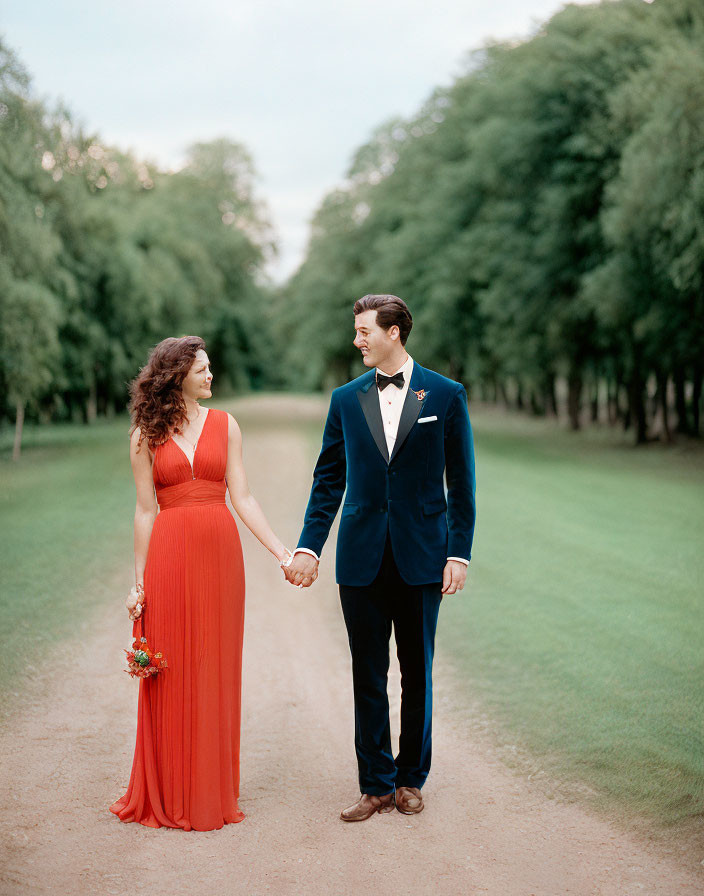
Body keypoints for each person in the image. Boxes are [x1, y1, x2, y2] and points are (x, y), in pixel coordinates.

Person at [286, 294, 476, 821]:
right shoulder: (345, 400)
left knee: (418, 673)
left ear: (394, 332)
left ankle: (412, 779)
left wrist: (458, 553)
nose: (357, 339)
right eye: (356, 330)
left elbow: (461, 483)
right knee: (367, 674)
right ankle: (375, 783)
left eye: (365, 330)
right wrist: (309, 545)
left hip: (423, 557)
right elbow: (328, 480)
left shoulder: (445, 393)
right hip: (361, 560)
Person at [109, 335, 292, 831]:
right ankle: (168, 788)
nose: (211, 375)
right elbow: (146, 510)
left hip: (219, 557)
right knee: (169, 669)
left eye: (211, 367)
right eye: (203, 369)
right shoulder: (144, 434)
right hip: (169, 557)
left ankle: (211, 788)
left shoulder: (227, 425)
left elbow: (244, 497)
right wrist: (139, 583)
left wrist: (280, 550)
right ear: (177, 376)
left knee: (213, 664)